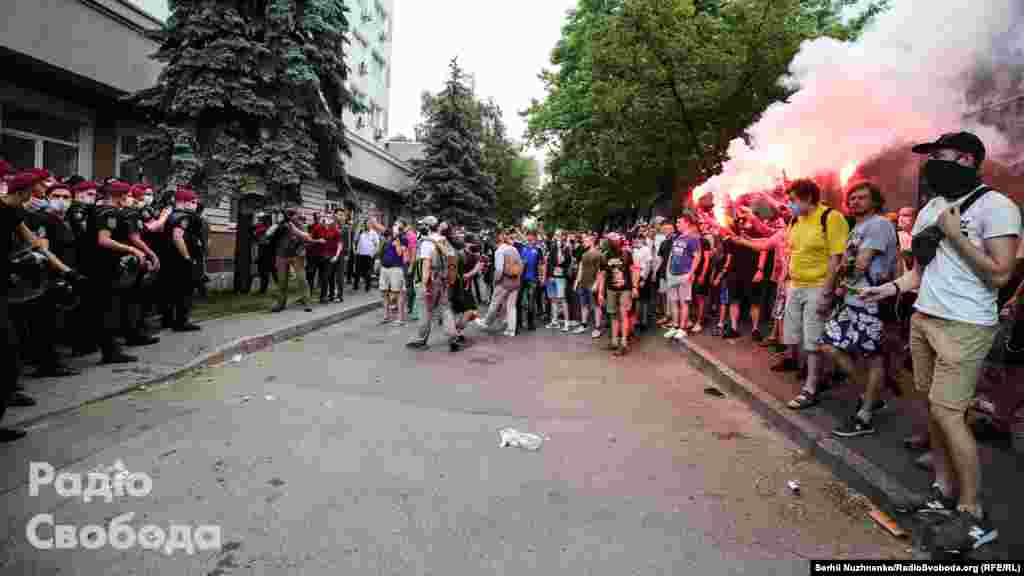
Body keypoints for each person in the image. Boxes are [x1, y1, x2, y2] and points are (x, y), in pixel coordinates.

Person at [861, 132, 1019, 553]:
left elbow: (1001, 274)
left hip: (964, 325)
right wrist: (890, 289)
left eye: (939, 156)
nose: (930, 164)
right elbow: (920, 273)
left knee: (950, 414)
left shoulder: (997, 208)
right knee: (932, 407)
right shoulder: (932, 206)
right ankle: (942, 491)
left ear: (966, 159)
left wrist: (958, 235)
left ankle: (971, 512)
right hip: (924, 318)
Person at [820, 181, 898, 438]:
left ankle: (864, 417)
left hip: (870, 302)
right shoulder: (858, 227)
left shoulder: (879, 224)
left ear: (875, 201)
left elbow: (859, 264)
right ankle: (871, 395)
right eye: (851, 198)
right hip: (850, 300)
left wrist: (844, 270)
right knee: (828, 345)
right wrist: (843, 278)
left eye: (861, 198)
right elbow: (849, 263)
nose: (854, 202)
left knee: (872, 357)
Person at [407, 218, 462, 351]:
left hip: (430, 281)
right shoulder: (443, 240)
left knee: (425, 310)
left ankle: (421, 340)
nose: (420, 227)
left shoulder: (427, 242)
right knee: (444, 308)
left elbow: (426, 264)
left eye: (422, 225)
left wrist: (424, 285)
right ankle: (453, 336)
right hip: (442, 280)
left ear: (427, 226)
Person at [163, 188, 202, 332]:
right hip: (180, 260)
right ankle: (181, 322)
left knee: (174, 291)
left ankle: (171, 320)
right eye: (193, 202)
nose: (195, 205)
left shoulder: (171, 214)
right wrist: (187, 257)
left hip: (171, 258)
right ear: (184, 202)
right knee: (184, 291)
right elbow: (177, 237)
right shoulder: (182, 217)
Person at [270, 209, 323, 313]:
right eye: (289, 215)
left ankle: (307, 302)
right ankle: (280, 303)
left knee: (301, 279)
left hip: (296, 256)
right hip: (281, 255)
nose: (292, 217)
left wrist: (294, 229)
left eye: (293, 215)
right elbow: (269, 235)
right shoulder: (280, 225)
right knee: (282, 281)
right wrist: (278, 224)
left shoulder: (299, 225)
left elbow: (306, 237)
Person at [597, 232, 638, 356]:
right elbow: (602, 275)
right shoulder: (605, 255)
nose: (611, 242)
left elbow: (633, 270)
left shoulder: (626, 254)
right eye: (610, 240)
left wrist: (635, 287)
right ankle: (614, 342)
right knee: (613, 315)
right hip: (611, 289)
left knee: (623, 314)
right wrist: (600, 292)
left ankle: (624, 343)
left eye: (614, 239)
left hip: (625, 289)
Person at [475, 228, 521, 337]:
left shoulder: (499, 251)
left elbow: (499, 270)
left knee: (494, 303)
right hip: (516, 281)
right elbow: (520, 264)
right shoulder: (514, 249)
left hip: (504, 282)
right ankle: (511, 330)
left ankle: (486, 322)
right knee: (511, 306)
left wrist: (495, 281)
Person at [663, 213, 702, 341]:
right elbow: (672, 255)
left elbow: (698, 256)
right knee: (674, 301)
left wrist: (691, 273)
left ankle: (683, 328)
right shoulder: (678, 238)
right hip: (672, 274)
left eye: (679, 222)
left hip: (684, 274)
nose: (677, 225)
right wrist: (668, 271)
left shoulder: (693, 238)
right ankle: (675, 326)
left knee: (684, 302)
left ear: (687, 223)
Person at [574, 232, 604, 338]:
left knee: (596, 306)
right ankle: (584, 324)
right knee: (584, 305)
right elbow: (581, 268)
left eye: (585, 241)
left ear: (592, 242)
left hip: (592, 284)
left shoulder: (598, 254)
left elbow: (601, 271)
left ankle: (598, 327)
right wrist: (577, 282)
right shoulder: (584, 254)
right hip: (583, 283)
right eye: (583, 241)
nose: (583, 243)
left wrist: (596, 283)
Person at [378, 220, 408, 325]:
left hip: (396, 268)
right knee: (384, 292)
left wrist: (397, 242)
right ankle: (386, 316)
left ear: (401, 228)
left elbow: (400, 253)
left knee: (397, 294)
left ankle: (400, 318)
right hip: (385, 268)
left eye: (397, 224)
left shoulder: (403, 239)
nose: (394, 225)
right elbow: (380, 228)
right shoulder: (389, 237)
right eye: (394, 224)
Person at [354, 221, 379, 292]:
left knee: (368, 272)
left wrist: (373, 253)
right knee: (357, 271)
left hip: (369, 255)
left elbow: (377, 244)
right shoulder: (361, 232)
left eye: (369, 224)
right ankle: (356, 286)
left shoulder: (374, 233)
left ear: (371, 225)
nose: (367, 225)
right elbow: (355, 239)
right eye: (366, 224)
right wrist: (358, 229)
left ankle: (367, 287)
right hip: (360, 254)